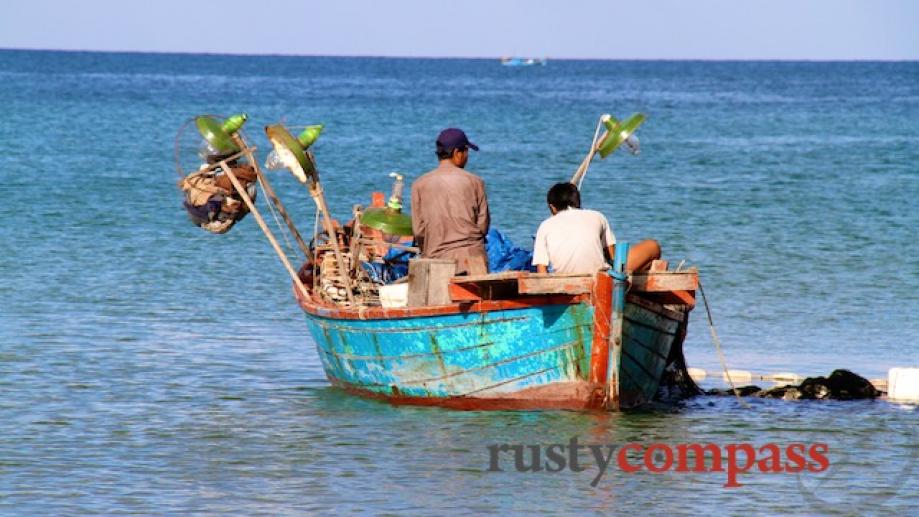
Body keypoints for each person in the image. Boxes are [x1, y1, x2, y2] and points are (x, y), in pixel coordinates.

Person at [532, 182, 661, 274]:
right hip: (600, 278)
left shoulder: (544, 226)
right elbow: (614, 256)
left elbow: (541, 270)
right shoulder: (597, 216)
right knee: (653, 246)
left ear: (552, 207)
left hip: (565, 280)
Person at [411, 128, 490, 275]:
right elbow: (483, 226)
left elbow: (418, 230)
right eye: (466, 151)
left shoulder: (419, 185)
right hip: (472, 258)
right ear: (456, 153)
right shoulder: (475, 181)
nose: (467, 156)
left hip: (436, 260)